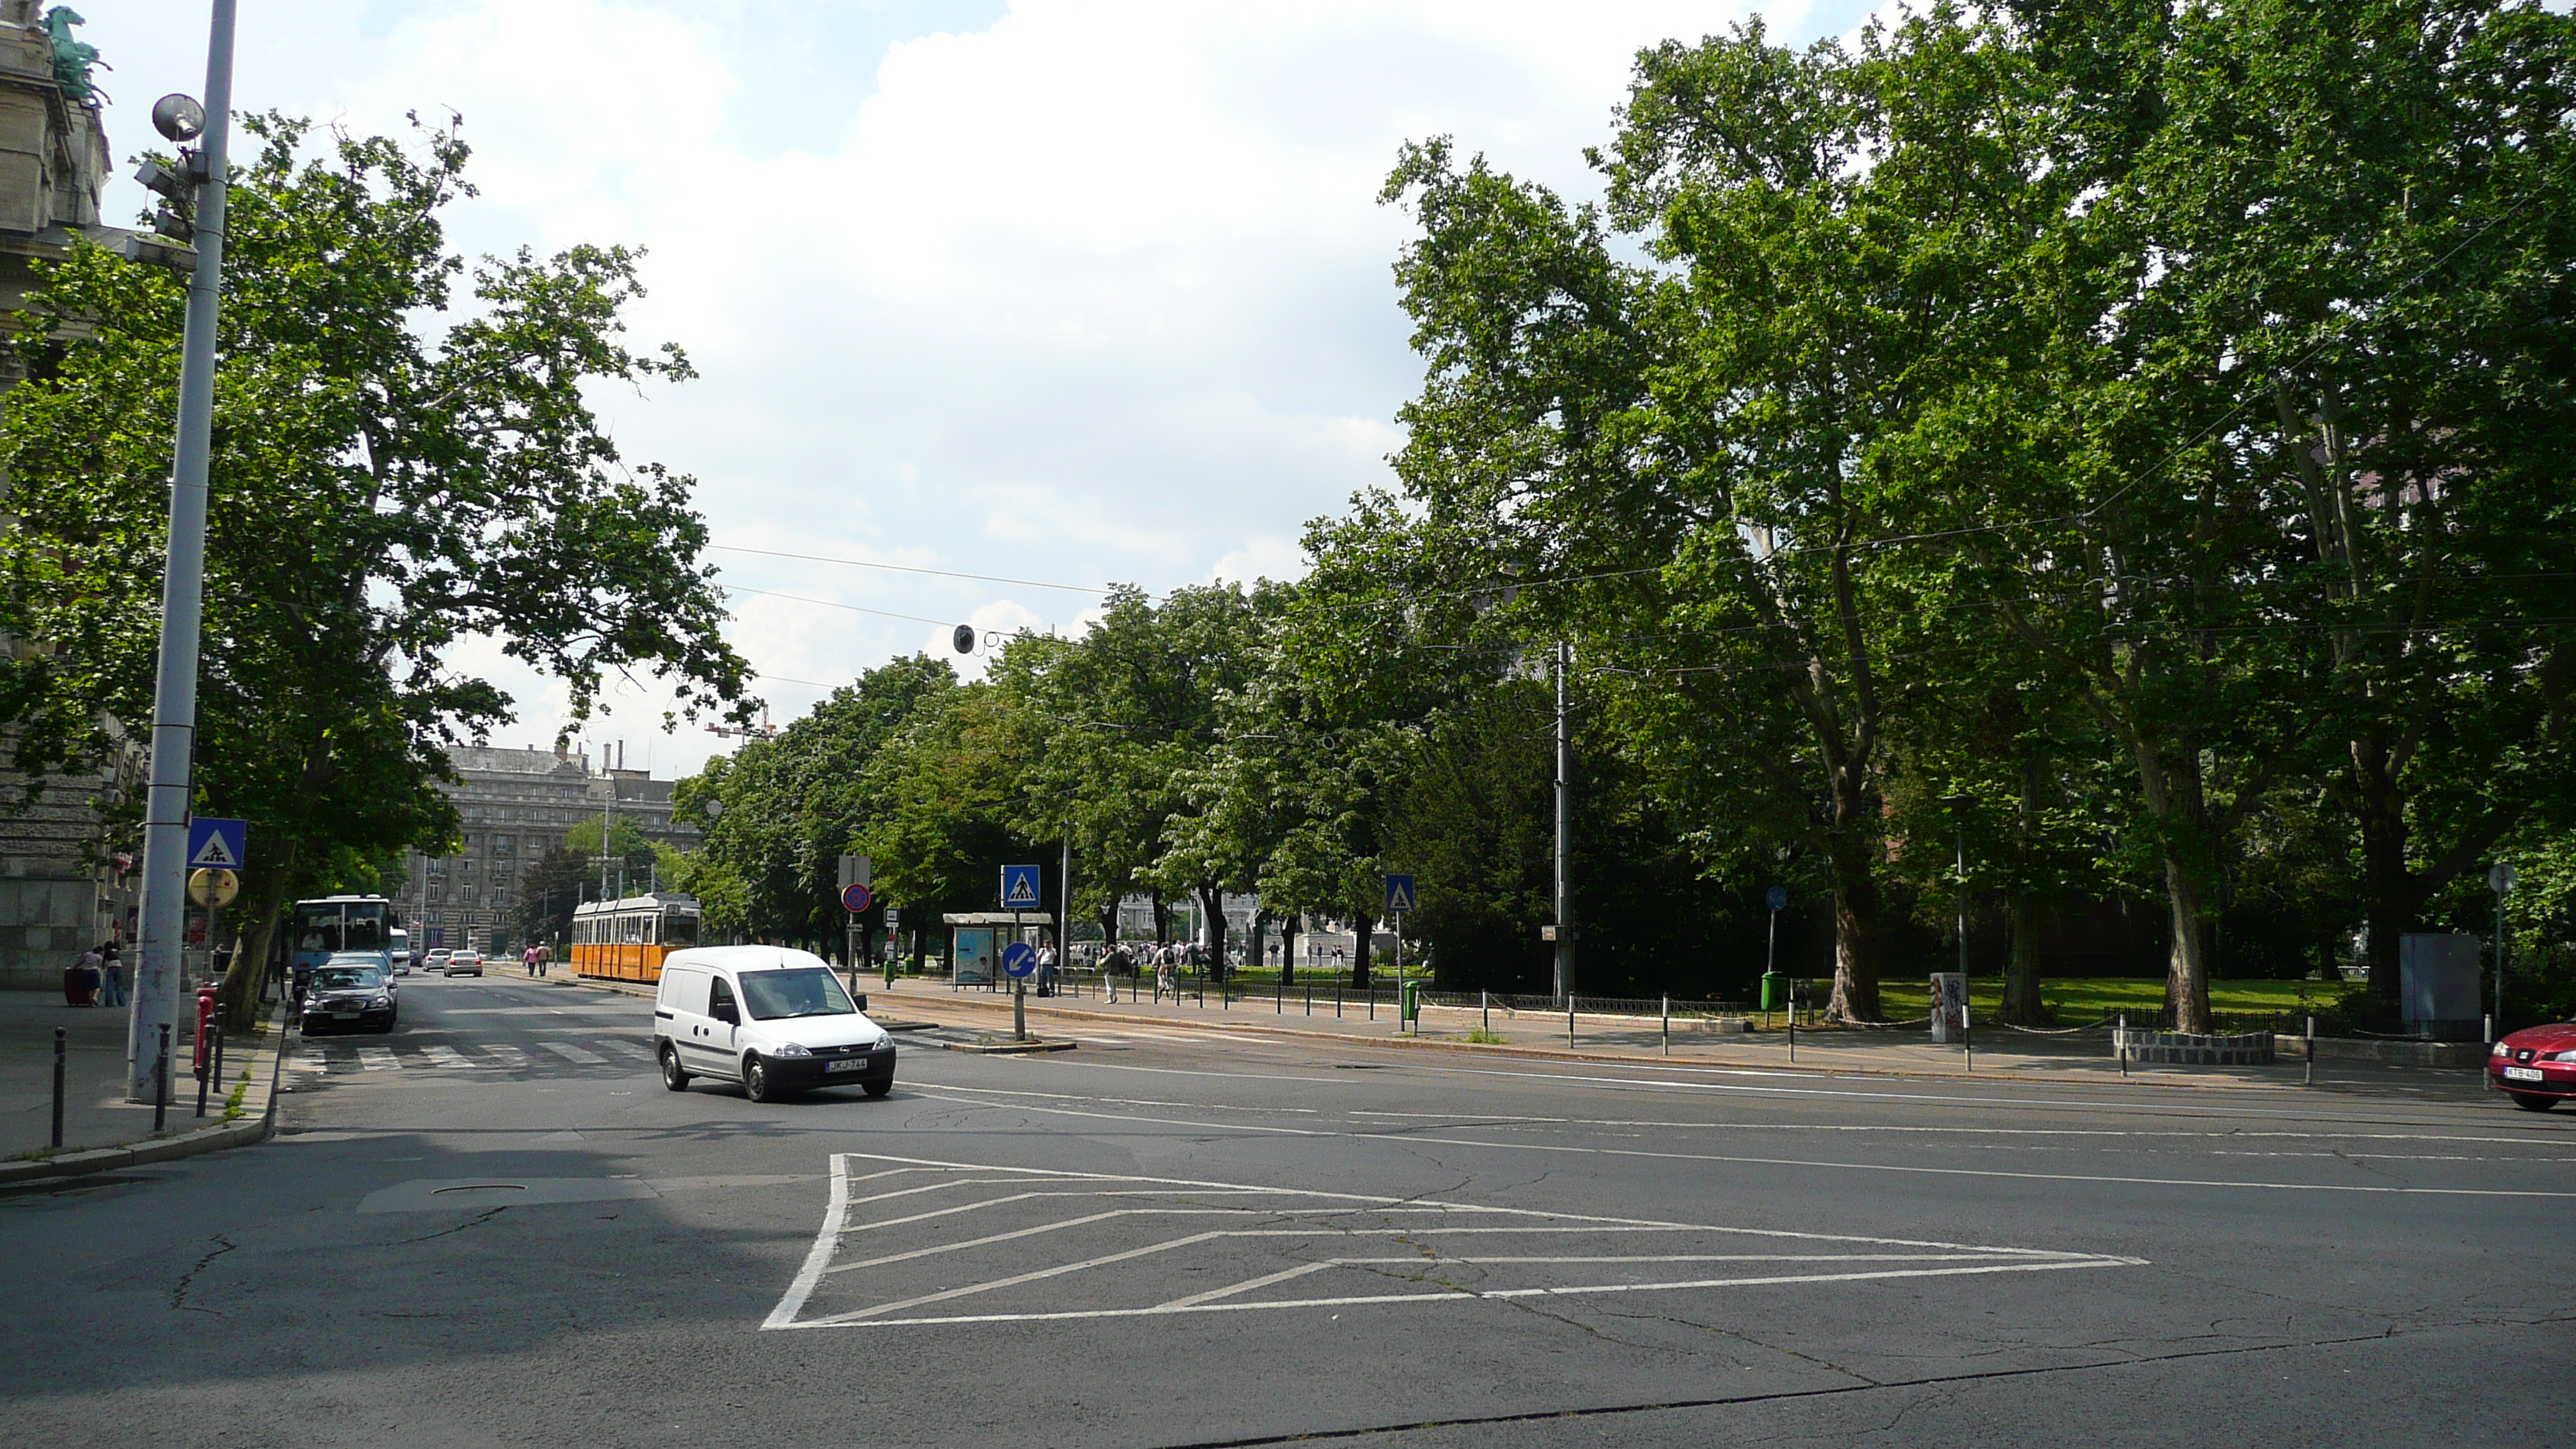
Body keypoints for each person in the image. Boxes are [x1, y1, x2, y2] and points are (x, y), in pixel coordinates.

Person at [98, 941, 126, 1007]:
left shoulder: (107, 951)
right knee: (120, 986)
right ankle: (121, 1003)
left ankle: (109, 1003)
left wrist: (102, 967)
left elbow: (104, 960)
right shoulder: (116, 951)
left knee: (109, 986)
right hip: (119, 967)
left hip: (111, 967)